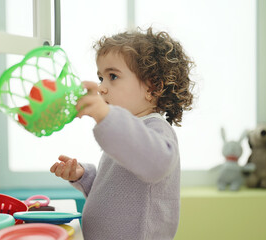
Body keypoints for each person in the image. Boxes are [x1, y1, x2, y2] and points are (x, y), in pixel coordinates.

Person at [50, 27, 194, 240]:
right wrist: (83, 175)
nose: (102, 88)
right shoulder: (126, 134)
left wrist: (104, 114)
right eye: (100, 77)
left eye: (113, 76)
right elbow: (114, 193)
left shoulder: (155, 130)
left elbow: (156, 165)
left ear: (152, 87)